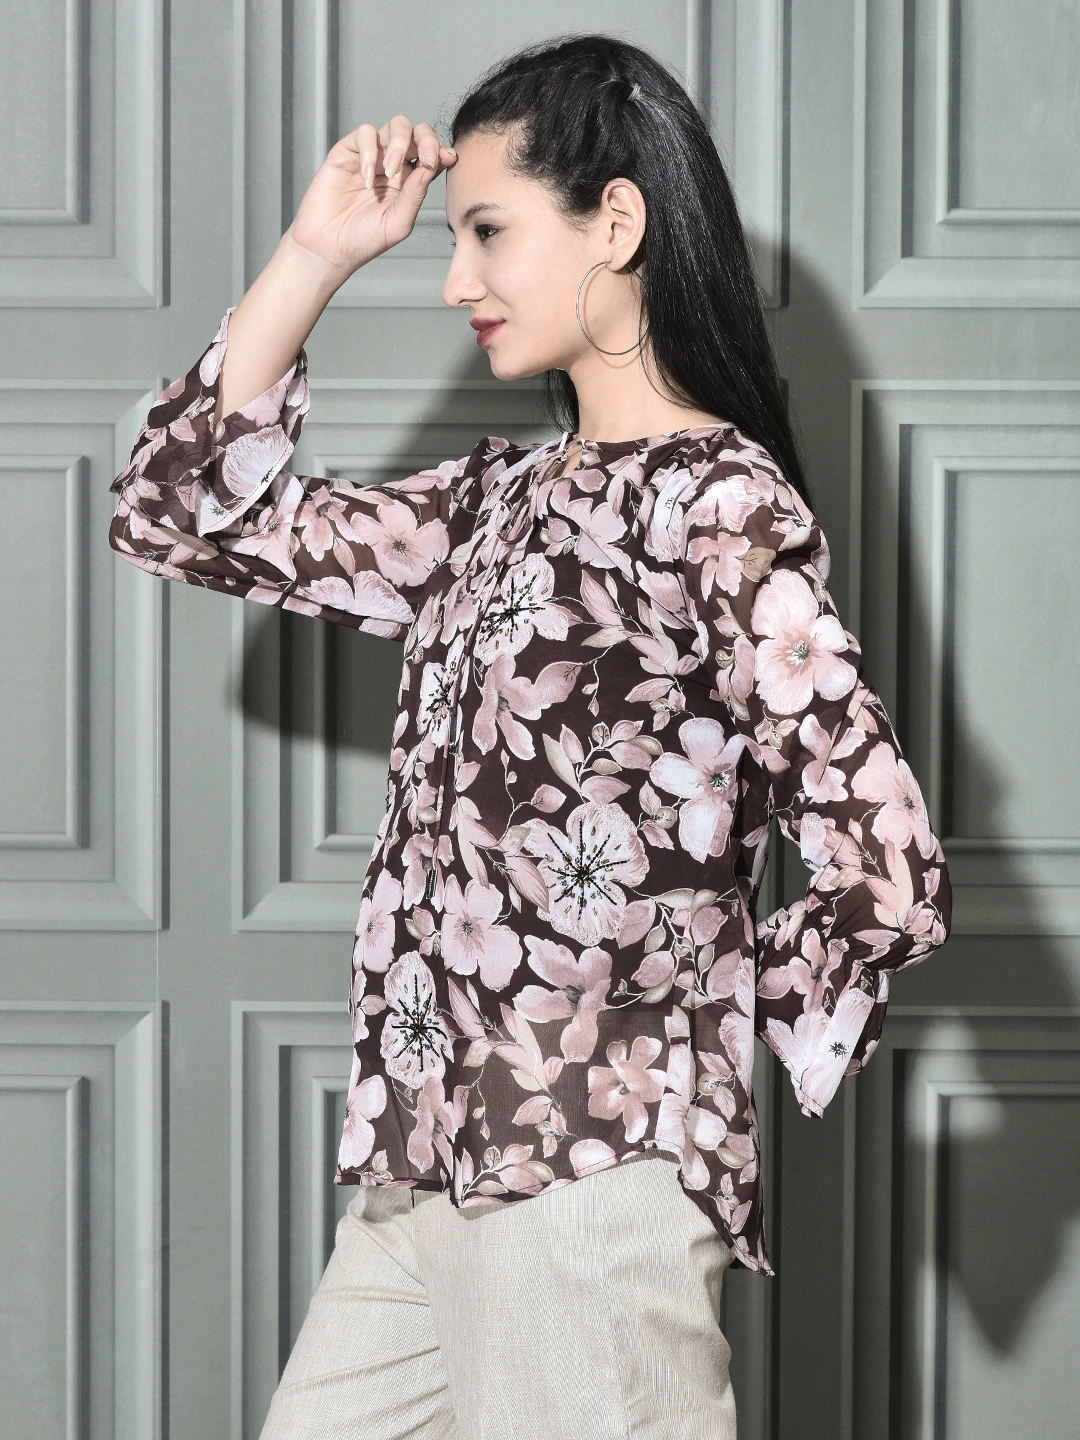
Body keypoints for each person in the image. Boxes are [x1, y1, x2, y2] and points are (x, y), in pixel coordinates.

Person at [108, 32, 952, 1440]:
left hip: (588, 1183)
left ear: (614, 222)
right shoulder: (489, 505)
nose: (456, 279)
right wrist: (315, 255)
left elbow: (889, 863)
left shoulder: (719, 504)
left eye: (489, 232)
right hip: (429, 1165)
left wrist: (684, 1019)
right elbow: (178, 509)